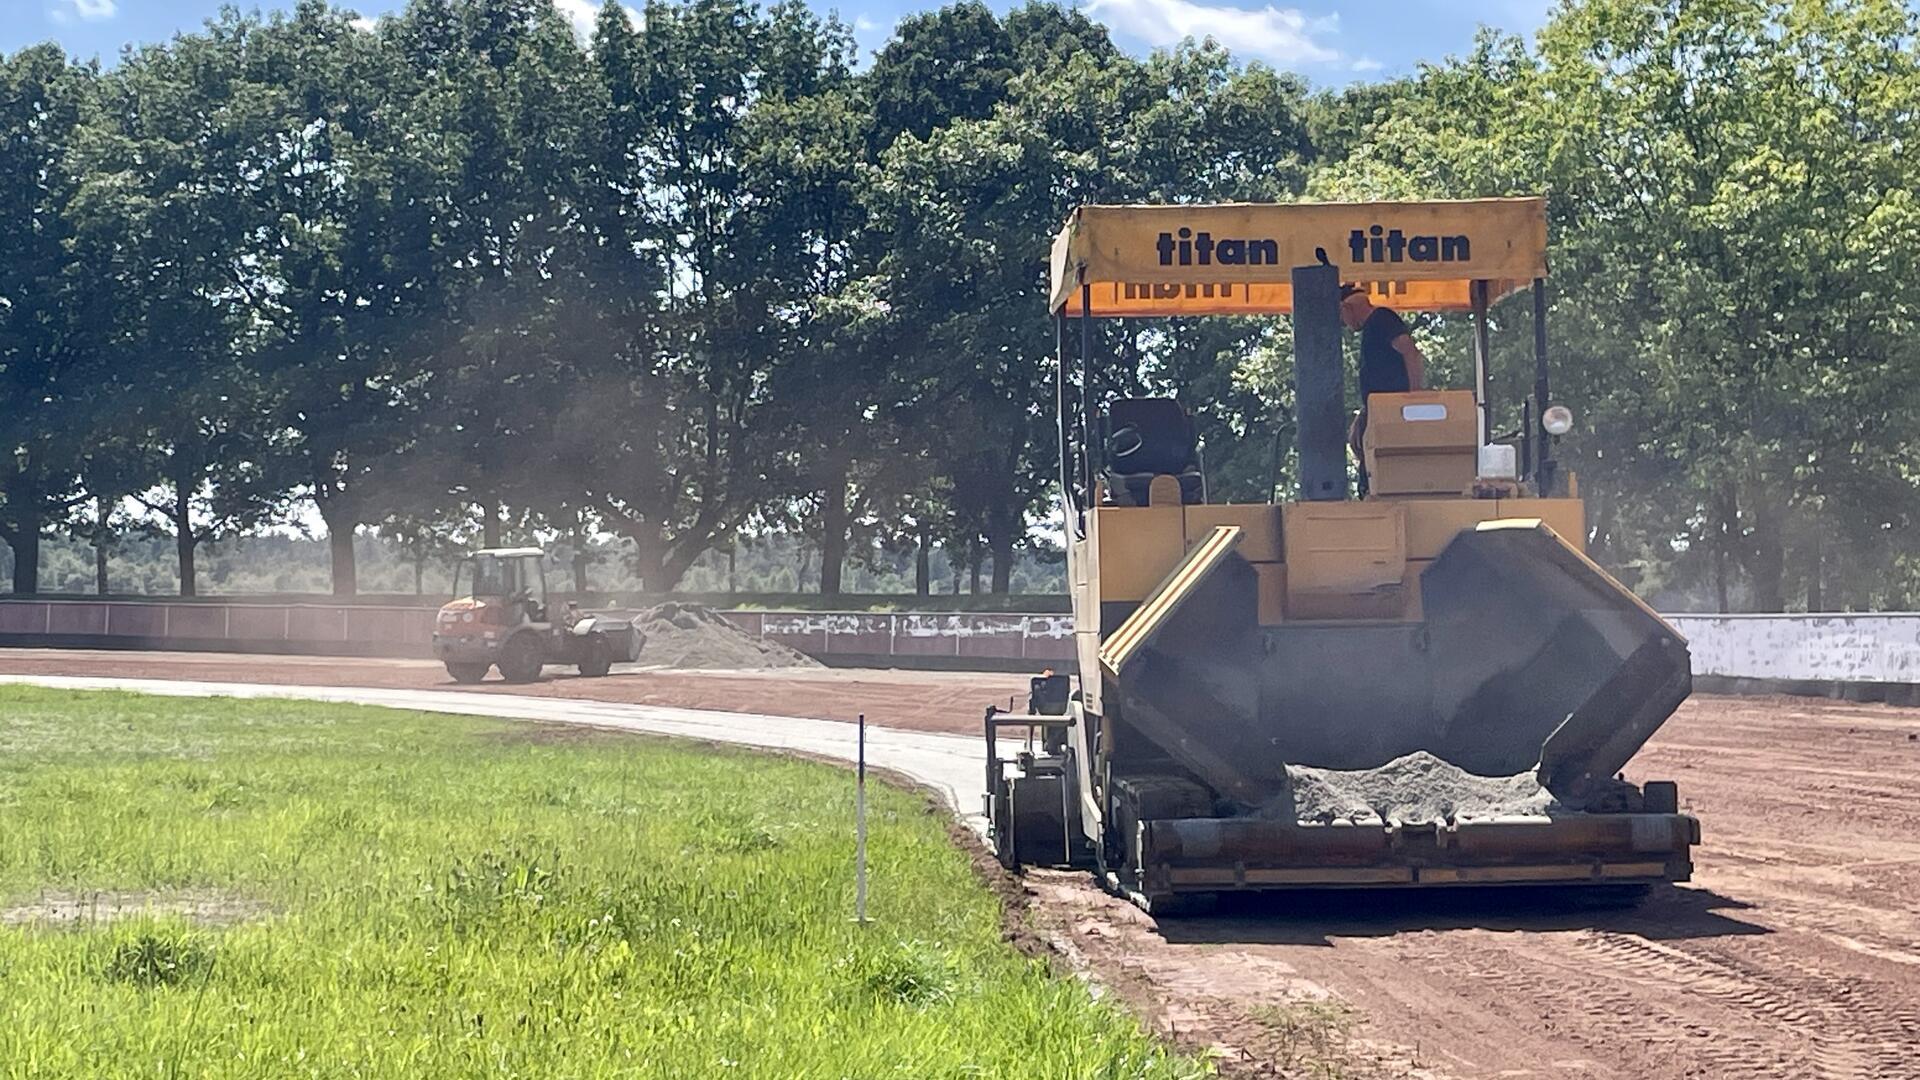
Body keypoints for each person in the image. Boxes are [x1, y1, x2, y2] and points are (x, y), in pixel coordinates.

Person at [1339, 283, 1426, 492]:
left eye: (1341, 318)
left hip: (1394, 410)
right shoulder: (1373, 327)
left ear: (1346, 308)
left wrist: (1414, 395)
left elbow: (1410, 352)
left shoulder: (1381, 319)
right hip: (1382, 410)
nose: (1344, 324)